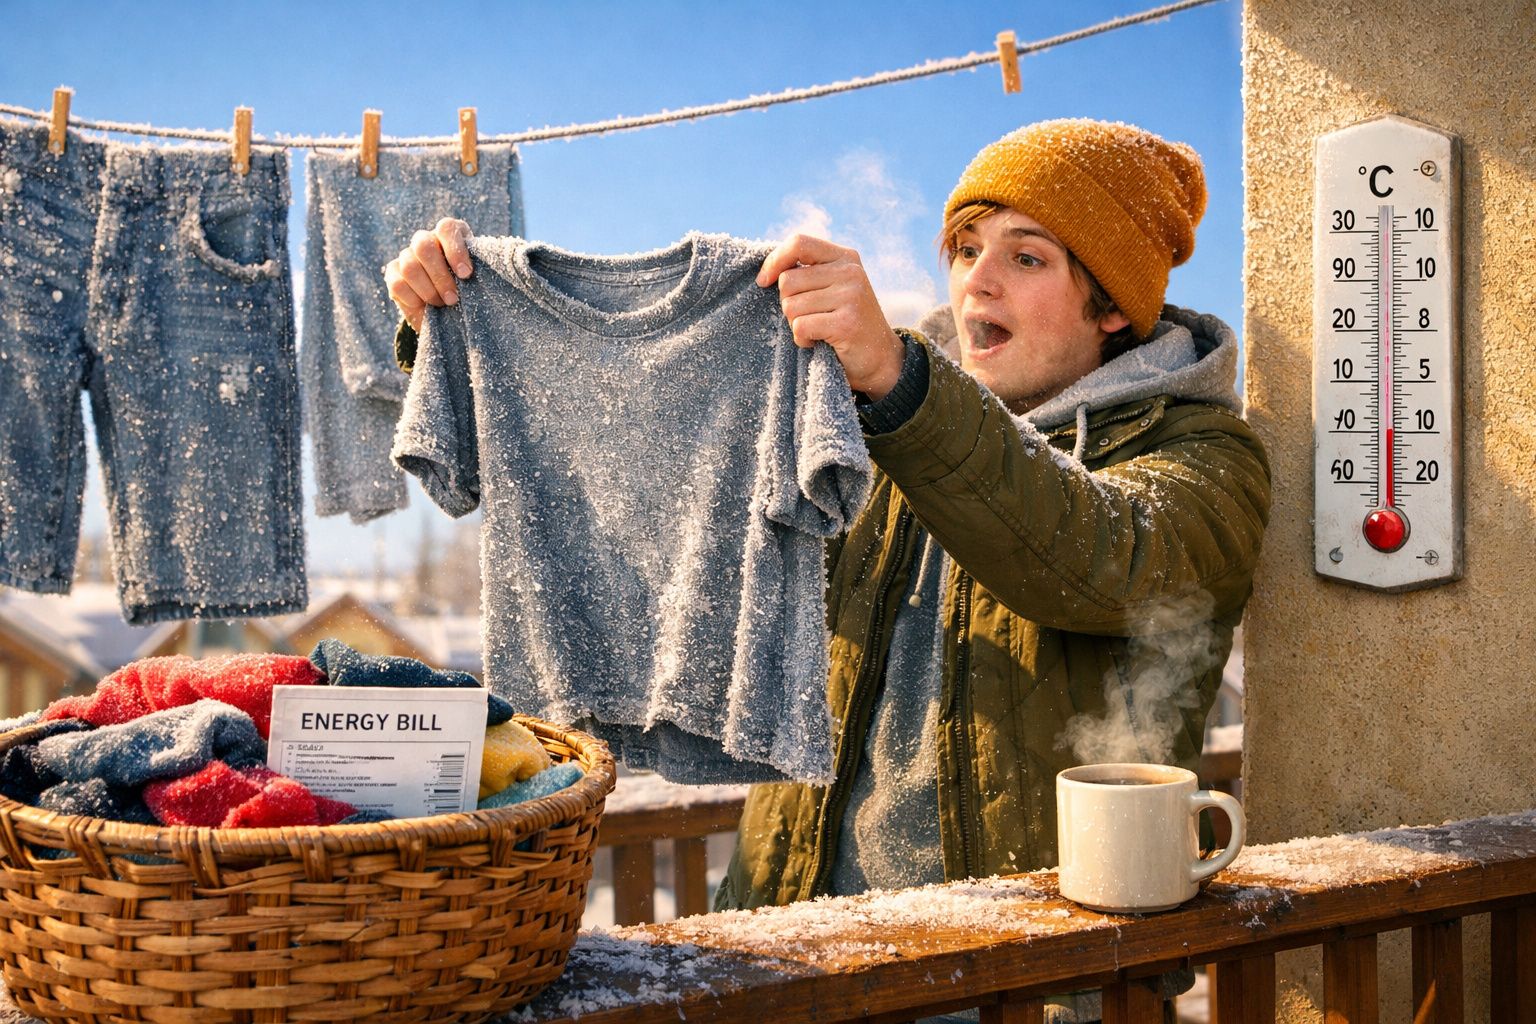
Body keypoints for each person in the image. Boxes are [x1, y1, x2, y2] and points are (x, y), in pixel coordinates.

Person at [385, 118, 1271, 1021]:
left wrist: (903, 383)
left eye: (1028, 258)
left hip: (1032, 984)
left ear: (1114, 304)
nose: (978, 280)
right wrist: (465, 343)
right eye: (964, 248)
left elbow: (1100, 556)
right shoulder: (873, 413)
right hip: (802, 950)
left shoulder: (1201, 453)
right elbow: (653, 496)